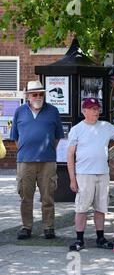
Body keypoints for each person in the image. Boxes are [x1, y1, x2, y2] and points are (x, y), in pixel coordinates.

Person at [67, 98, 114, 251]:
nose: (96, 111)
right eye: (92, 108)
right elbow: (70, 155)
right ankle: (79, 239)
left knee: (101, 207)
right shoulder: (76, 129)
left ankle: (100, 237)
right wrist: (72, 179)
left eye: (97, 108)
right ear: (84, 111)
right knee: (81, 207)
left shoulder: (105, 127)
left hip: (102, 173)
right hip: (84, 174)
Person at [10, 80, 64, 240]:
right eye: (35, 94)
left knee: (48, 197)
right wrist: (27, 149)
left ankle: (48, 227)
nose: (38, 96)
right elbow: (15, 138)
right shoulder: (19, 111)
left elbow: (57, 137)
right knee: (26, 197)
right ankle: (26, 227)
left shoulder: (53, 111)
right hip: (25, 161)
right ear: (28, 96)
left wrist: (47, 148)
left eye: (41, 94)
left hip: (47, 161)